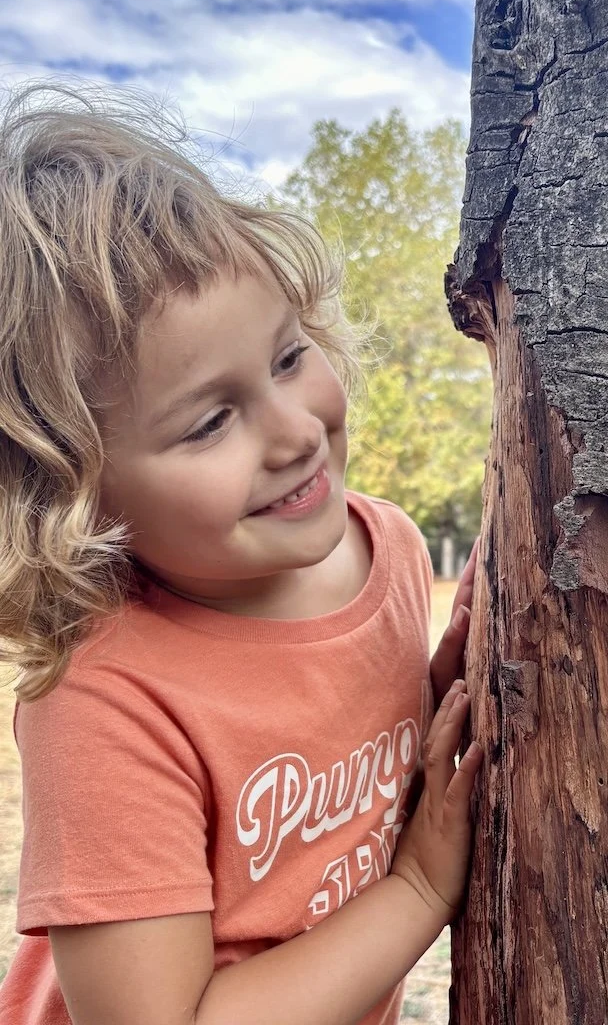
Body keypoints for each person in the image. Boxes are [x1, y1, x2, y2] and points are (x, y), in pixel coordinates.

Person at [0, 82, 484, 1025]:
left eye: (289, 356)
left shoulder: (384, 545)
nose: (295, 432)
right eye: (210, 421)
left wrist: (444, 699)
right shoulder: (105, 700)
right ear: (70, 491)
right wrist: (420, 889)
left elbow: (344, 751)